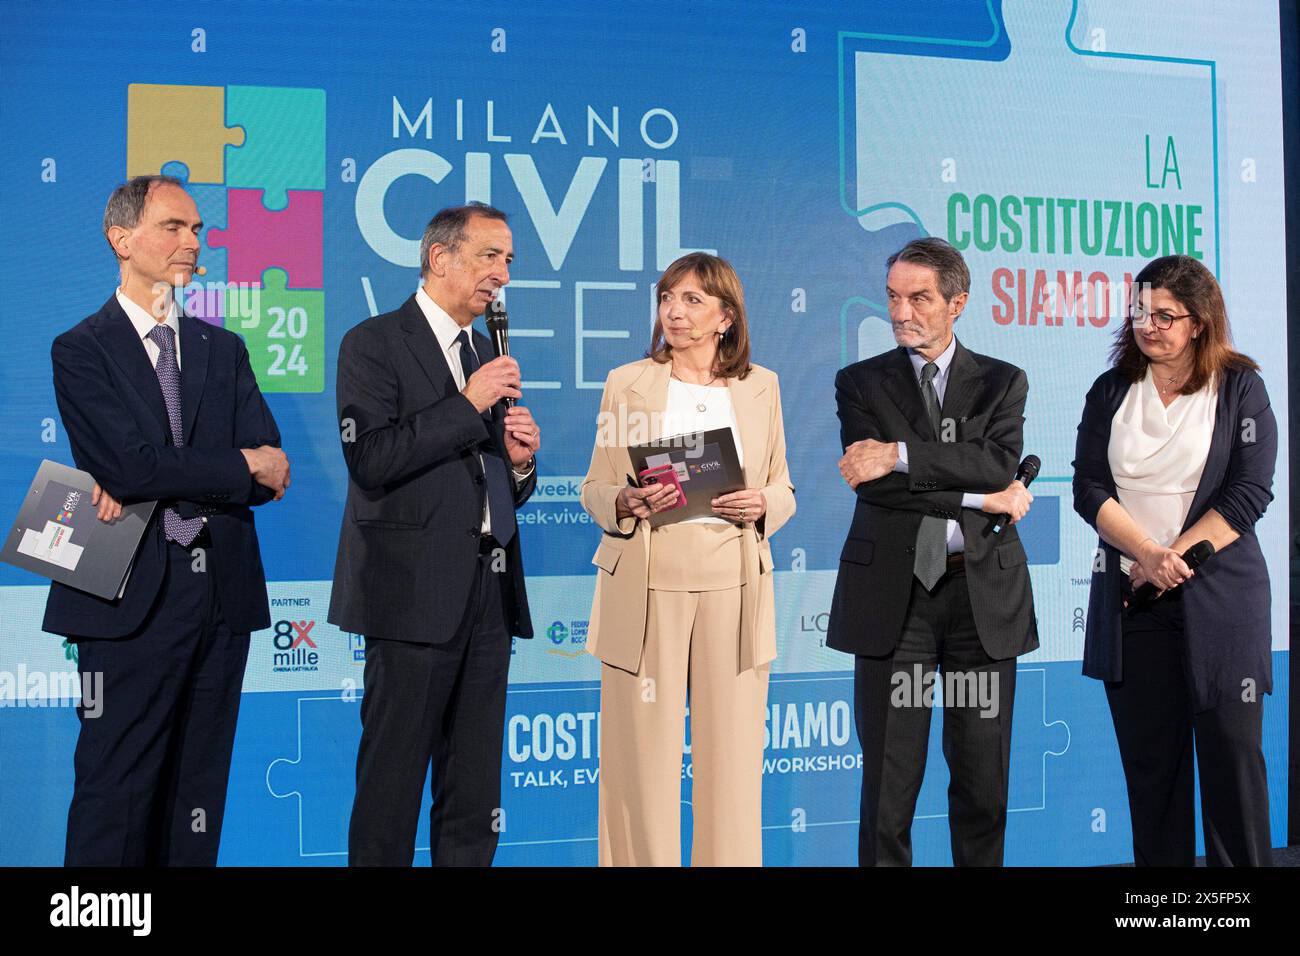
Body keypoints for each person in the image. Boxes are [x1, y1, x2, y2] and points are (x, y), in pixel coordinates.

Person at [46, 174, 289, 865]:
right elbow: (130, 468)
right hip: (127, 596)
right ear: (121, 239)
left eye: (196, 229)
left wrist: (201, 469)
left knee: (198, 793)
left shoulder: (225, 349)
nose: (192, 241)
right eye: (173, 227)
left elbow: (271, 466)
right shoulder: (81, 348)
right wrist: (231, 467)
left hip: (220, 598)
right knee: (114, 792)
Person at [330, 203, 541, 867]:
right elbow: (371, 459)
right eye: (490, 256)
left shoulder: (485, 352)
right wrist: (470, 405)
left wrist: (520, 463)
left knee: (474, 796)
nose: (502, 273)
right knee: (391, 792)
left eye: (508, 260)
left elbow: (484, 480)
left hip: (488, 595)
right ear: (440, 259)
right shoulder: (373, 343)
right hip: (410, 597)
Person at [827, 237, 1038, 867]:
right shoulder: (859, 381)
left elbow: (996, 462)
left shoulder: (1002, 381)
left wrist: (900, 453)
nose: (900, 312)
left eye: (918, 297)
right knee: (889, 792)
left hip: (982, 604)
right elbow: (876, 487)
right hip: (897, 602)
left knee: (982, 787)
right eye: (892, 296)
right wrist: (981, 500)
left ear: (957, 302)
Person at [580, 252, 794, 866]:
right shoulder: (628, 383)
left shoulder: (762, 386)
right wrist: (623, 499)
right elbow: (595, 488)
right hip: (646, 587)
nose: (674, 311)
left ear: (726, 316)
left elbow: (784, 487)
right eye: (667, 297)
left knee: (731, 765)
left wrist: (762, 504)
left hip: (734, 587)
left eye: (693, 299)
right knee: (640, 764)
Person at [1073, 255, 1275, 866]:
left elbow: (1249, 494)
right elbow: (1089, 488)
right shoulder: (1111, 390)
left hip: (1222, 602)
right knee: (1152, 777)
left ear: (1199, 322)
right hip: (1133, 601)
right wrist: (1145, 556)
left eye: (1165, 315)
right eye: (1140, 312)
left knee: (1230, 772)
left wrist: (1171, 560)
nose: (1148, 325)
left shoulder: (1241, 386)